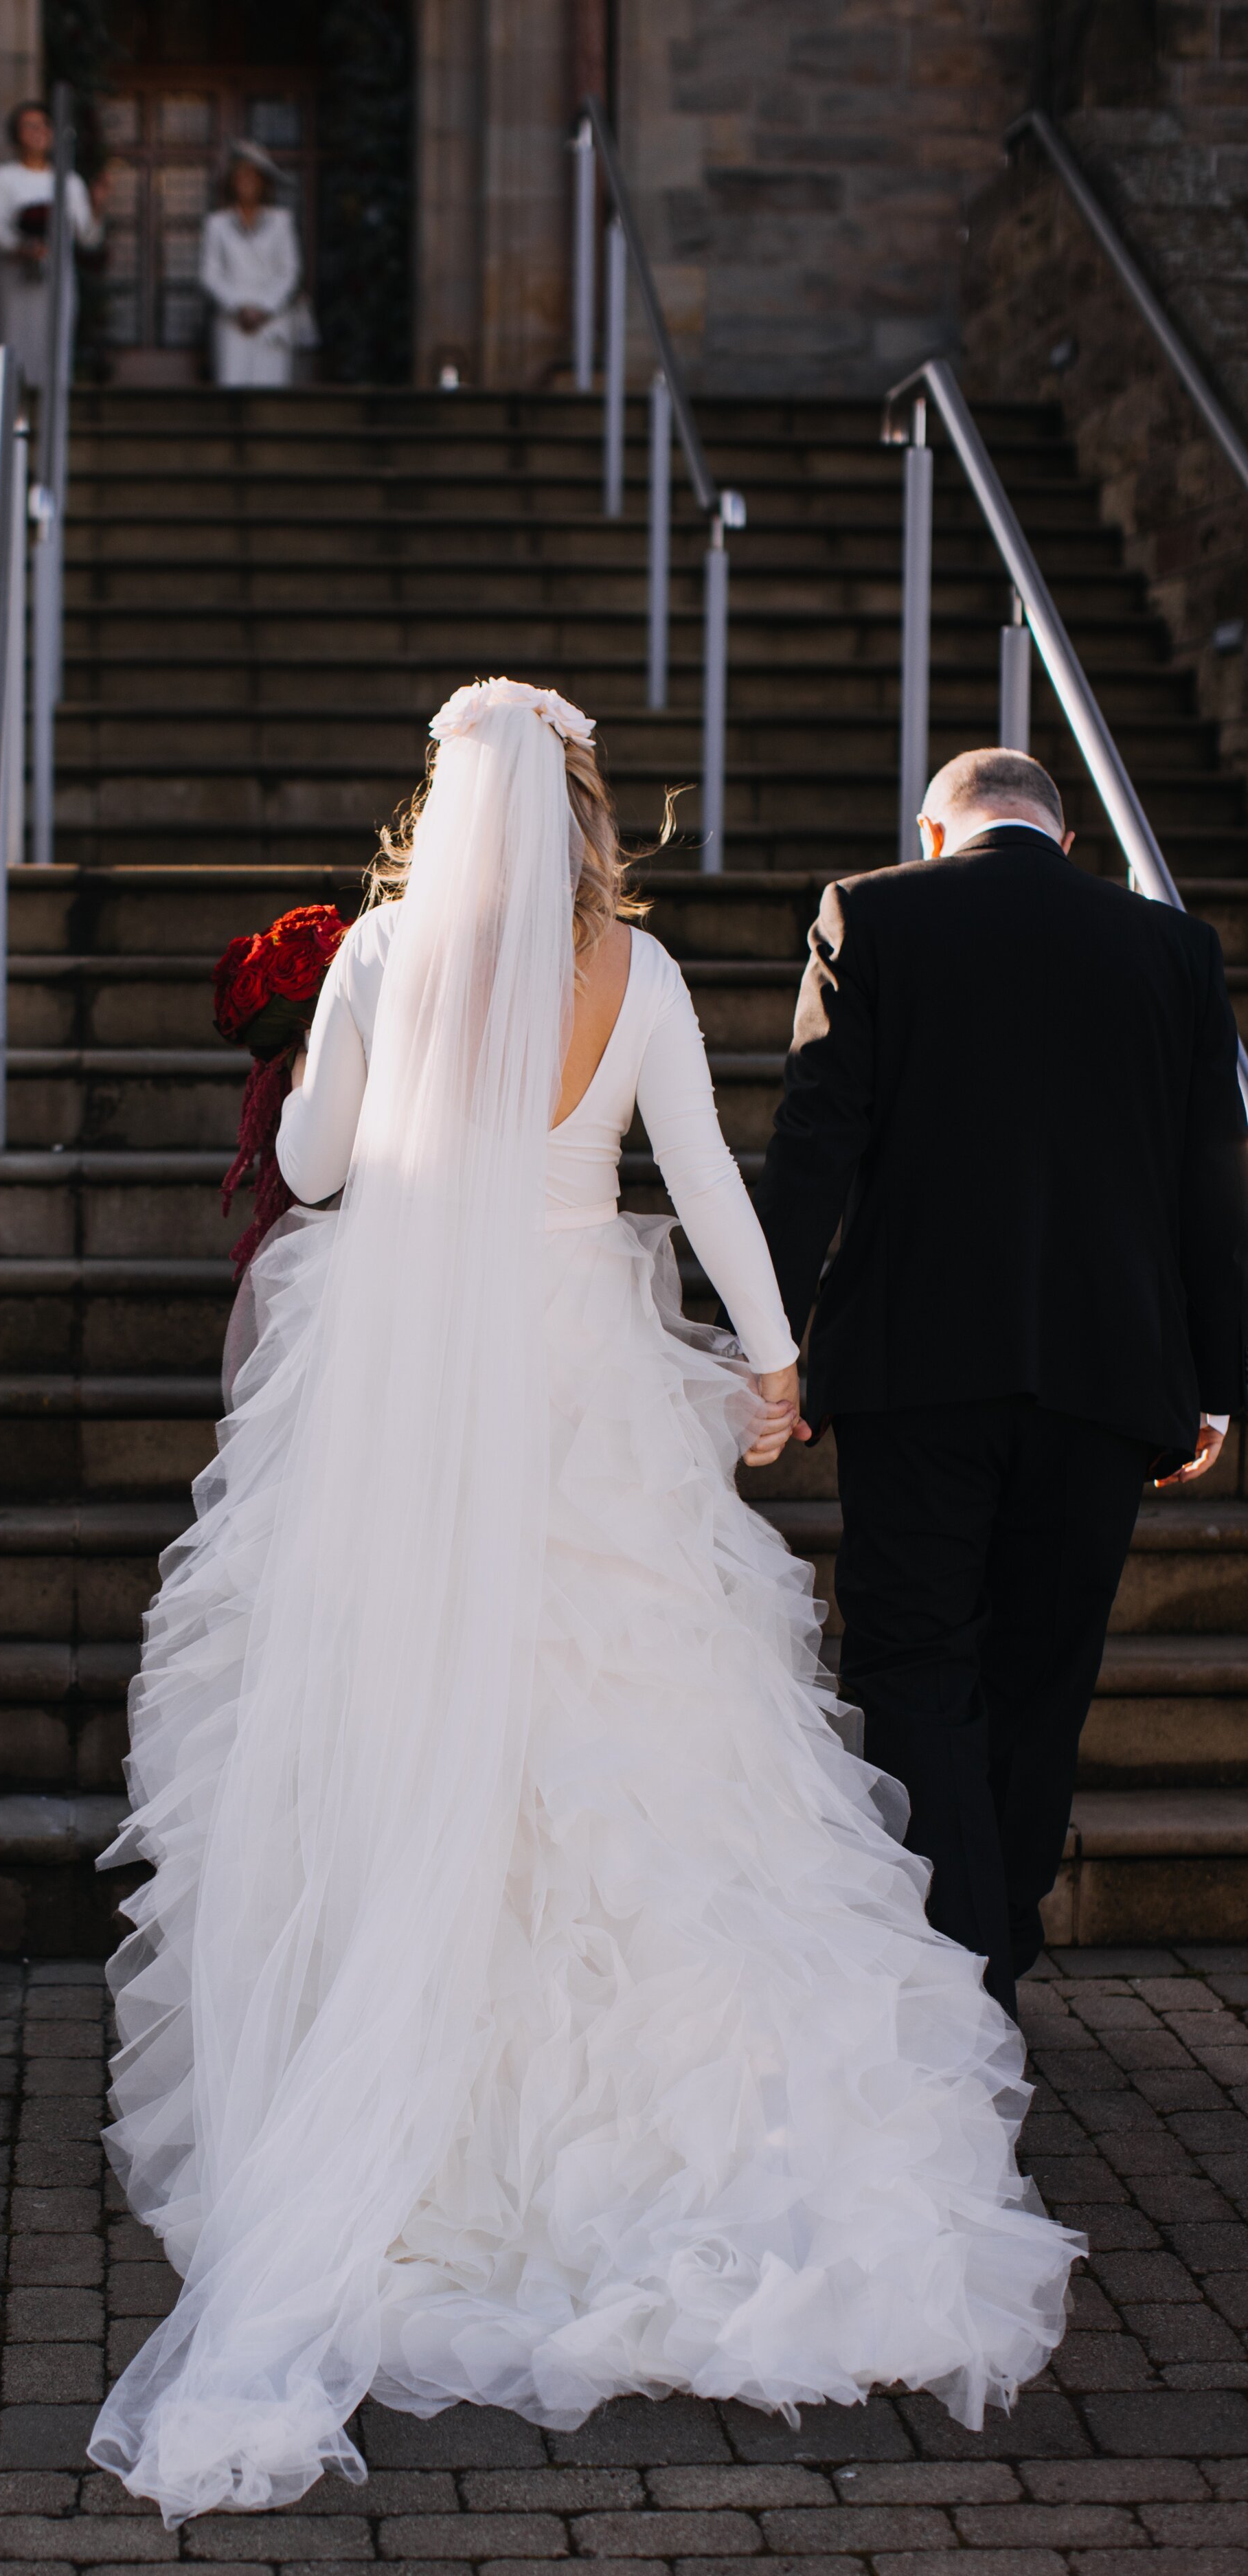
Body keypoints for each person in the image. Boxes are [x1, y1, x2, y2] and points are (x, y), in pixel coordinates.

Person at [88, 682, 1080, 2525]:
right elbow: (701, 1172)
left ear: (441, 807)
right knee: (632, 1729)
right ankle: (665, 2150)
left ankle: (397, 2118)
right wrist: (773, 1358)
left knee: (397, 1706)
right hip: (581, 1374)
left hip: (402, 1381)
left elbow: (312, 1171)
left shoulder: (380, 949)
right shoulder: (633, 965)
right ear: (584, 811)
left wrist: (328, 1037)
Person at [753, 747, 1248, 2019]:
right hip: (1106, 1377)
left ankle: (952, 1970)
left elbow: (818, 1134)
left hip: (915, 1370)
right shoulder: (1175, 951)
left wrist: (764, 1334)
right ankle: (995, 1952)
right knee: (1044, 1676)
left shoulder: (872, 913)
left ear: (933, 829)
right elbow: (1214, 1180)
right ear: (1064, 834)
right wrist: (1215, 1381)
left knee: (914, 1659)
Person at [0, 102, 105, 392]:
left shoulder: (70, 181)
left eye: (45, 125)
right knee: (16, 339)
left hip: (56, 275)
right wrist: (22, 248)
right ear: (16, 134)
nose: (40, 132)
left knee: (55, 342)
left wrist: (98, 207)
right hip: (17, 274)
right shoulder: (3, 177)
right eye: (31, 125)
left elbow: (87, 236)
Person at [199, 142, 302, 387]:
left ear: (264, 182)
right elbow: (210, 275)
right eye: (241, 175)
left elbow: (289, 272)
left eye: (253, 176)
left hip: (271, 326)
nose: (246, 181)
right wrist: (239, 308)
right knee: (233, 398)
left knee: (270, 400)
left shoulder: (281, 222)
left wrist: (264, 308)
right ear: (232, 182)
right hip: (234, 325)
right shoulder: (217, 224)